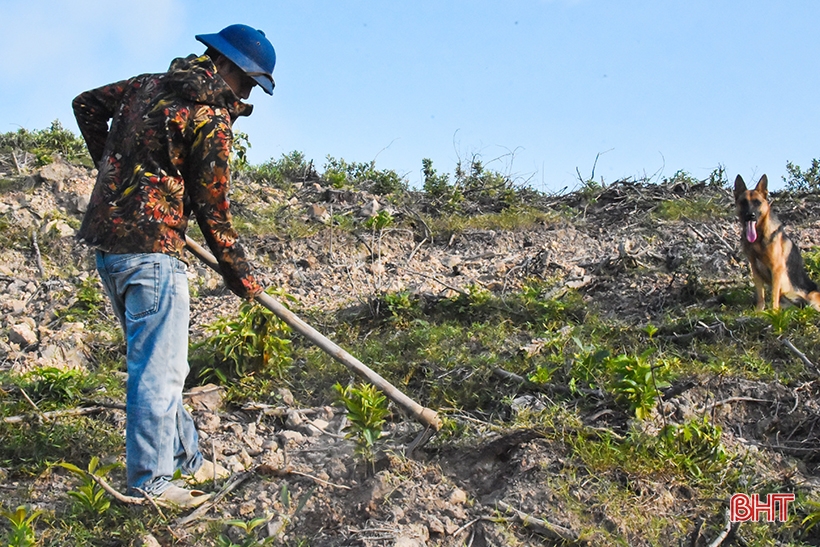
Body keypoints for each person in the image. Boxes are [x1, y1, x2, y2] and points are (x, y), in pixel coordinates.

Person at [72, 24, 275, 508]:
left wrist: (117, 171)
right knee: (158, 372)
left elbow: (86, 104)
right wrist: (242, 276)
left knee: (163, 362)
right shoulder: (210, 117)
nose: (248, 94)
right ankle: (151, 481)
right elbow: (213, 209)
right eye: (248, 83)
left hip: (110, 248)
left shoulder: (145, 85)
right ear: (225, 66)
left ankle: (186, 457)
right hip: (151, 254)